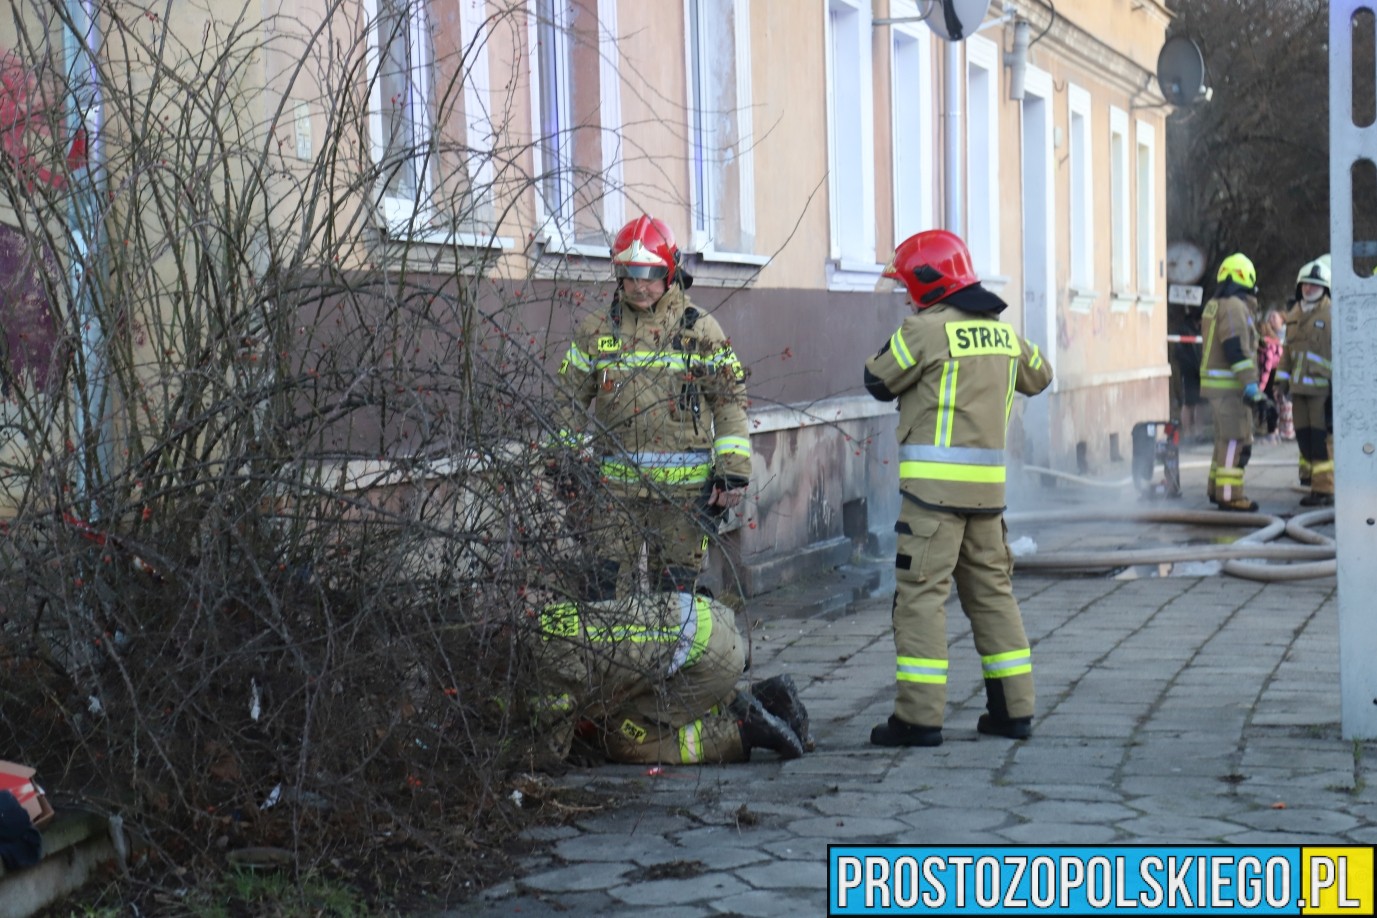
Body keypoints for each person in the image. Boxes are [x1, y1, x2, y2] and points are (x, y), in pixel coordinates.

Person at [862, 230, 1052, 748]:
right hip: (988, 500)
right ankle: (1014, 711)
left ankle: (919, 718)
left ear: (927, 284)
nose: (904, 295)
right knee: (993, 597)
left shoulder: (923, 330)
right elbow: (1041, 375)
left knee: (921, 599)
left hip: (931, 500)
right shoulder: (1005, 335)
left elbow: (876, 379)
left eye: (907, 285)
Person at [553, 215, 751, 599]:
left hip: (684, 498)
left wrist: (733, 473)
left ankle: (675, 661)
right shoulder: (596, 332)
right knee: (605, 592)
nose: (639, 285)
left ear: (670, 272)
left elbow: (729, 401)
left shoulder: (700, 330)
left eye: (649, 274)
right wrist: (564, 461)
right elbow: (568, 399)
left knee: (675, 596)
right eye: (630, 274)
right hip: (613, 495)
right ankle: (620, 662)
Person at [522, 590, 812, 764]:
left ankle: (742, 732)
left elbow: (552, 747)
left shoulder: (547, 660)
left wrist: (530, 759)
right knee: (657, 692)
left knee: (625, 737)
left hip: (709, 659)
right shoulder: (550, 618)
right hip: (710, 619)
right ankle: (766, 696)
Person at [1199, 253, 1265, 511]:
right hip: (1231, 388)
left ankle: (1216, 489)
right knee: (1236, 439)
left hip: (1217, 387)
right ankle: (1230, 495)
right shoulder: (1235, 307)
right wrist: (1251, 385)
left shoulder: (1214, 305)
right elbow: (1235, 348)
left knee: (1223, 440)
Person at [1275, 255, 1334, 506]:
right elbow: (1287, 353)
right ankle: (1312, 483)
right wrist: (1280, 383)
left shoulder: (1332, 313)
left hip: (1322, 390)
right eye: (1306, 284)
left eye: (1315, 285)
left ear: (1325, 289)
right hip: (1298, 391)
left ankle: (1325, 489)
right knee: (1304, 438)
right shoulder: (1294, 314)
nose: (1309, 288)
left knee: (1322, 440)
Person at [1254, 308, 1286, 443]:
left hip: (1271, 374)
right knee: (1273, 401)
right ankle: (1275, 431)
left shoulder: (1268, 344)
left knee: (1269, 401)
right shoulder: (1274, 341)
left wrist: (1261, 386)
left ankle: (1272, 432)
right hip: (1276, 373)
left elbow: (1267, 365)